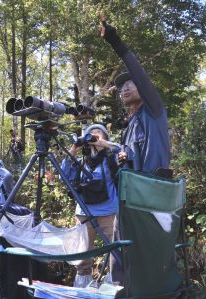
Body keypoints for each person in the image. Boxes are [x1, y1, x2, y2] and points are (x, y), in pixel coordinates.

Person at [99, 15, 170, 175]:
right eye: (122, 88)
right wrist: (123, 158)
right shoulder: (130, 126)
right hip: (133, 193)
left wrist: (115, 42)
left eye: (130, 84)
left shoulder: (153, 110)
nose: (124, 89)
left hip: (154, 188)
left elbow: (137, 71)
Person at [61, 124, 120, 288]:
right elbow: (63, 175)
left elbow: (125, 152)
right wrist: (74, 148)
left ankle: (114, 284)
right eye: (90, 134)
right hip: (84, 212)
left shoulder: (111, 158)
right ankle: (82, 285)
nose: (94, 135)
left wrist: (105, 144)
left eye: (98, 133)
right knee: (83, 252)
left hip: (109, 211)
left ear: (105, 137)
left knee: (115, 249)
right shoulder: (81, 162)